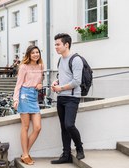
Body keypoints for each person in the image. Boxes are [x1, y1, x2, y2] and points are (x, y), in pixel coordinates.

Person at [51, 33, 85, 164]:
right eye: (55, 45)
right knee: (63, 127)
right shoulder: (60, 60)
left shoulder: (76, 60)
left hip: (72, 98)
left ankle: (79, 148)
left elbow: (76, 81)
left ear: (66, 44)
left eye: (58, 44)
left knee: (69, 125)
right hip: (61, 98)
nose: (56, 47)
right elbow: (63, 76)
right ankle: (66, 154)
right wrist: (56, 82)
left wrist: (61, 88)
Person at [13, 45, 44, 165]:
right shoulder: (23, 67)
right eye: (33, 53)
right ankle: (25, 154)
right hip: (24, 95)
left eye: (37, 52)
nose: (36, 54)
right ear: (29, 55)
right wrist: (16, 99)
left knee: (37, 127)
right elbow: (18, 84)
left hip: (34, 96)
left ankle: (24, 153)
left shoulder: (41, 66)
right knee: (25, 127)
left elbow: (39, 81)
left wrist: (40, 84)